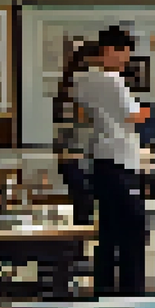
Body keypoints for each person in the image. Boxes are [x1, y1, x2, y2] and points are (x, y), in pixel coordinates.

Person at [75, 26, 150, 297]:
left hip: (102, 159)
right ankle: (132, 291)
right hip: (119, 160)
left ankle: (104, 288)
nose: (126, 60)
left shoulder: (82, 80)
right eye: (123, 54)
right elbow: (134, 116)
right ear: (109, 51)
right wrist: (148, 110)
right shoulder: (111, 80)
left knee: (109, 228)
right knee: (133, 226)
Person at [54, 39, 98, 225]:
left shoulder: (69, 87)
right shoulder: (75, 89)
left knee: (83, 206)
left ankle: (81, 249)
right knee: (84, 205)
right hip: (78, 156)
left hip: (76, 156)